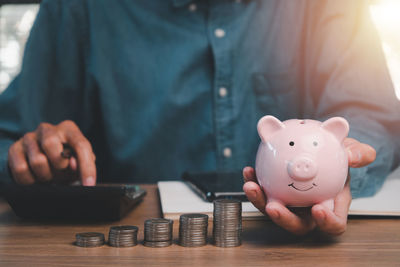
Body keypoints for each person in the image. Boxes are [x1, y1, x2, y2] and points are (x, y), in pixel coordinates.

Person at [0, 0, 399, 235]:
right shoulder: (79, 9)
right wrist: (32, 159)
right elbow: (10, 140)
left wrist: (341, 170)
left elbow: (371, 116)